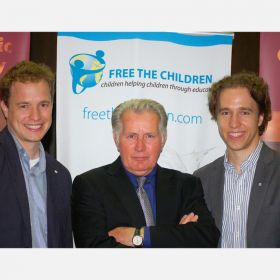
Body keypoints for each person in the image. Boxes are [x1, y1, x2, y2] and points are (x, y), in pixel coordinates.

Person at [72, 98, 219, 248]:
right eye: (131, 136)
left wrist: (138, 236)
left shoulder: (186, 185)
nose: (140, 147)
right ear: (116, 139)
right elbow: (93, 249)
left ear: (163, 140)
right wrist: (177, 235)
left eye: (149, 136)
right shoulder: (90, 186)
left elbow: (207, 238)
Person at [194, 71, 280, 248]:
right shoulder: (200, 179)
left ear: (260, 117)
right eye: (225, 113)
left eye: (245, 112)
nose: (234, 123)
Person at [0, 61, 73, 248]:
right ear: (5, 108)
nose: (35, 116)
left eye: (43, 105)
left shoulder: (61, 176)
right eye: (24, 106)